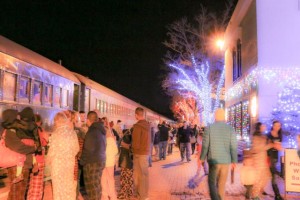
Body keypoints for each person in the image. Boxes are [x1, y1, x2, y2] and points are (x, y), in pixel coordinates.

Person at [199, 108, 238, 200]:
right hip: (226, 161)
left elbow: (205, 145)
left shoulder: (209, 128)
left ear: (215, 117)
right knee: (221, 184)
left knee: (211, 182)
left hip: (214, 160)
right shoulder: (230, 129)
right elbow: (233, 146)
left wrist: (202, 158)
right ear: (224, 117)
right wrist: (234, 161)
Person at [2, 109, 36, 200]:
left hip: (19, 165)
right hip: (18, 166)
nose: (19, 118)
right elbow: (19, 147)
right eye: (17, 116)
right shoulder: (10, 131)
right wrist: (34, 148)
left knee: (17, 193)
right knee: (18, 194)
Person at [47, 112, 79, 200]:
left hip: (57, 166)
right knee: (69, 187)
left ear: (57, 121)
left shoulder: (55, 134)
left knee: (58, 189)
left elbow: (51, 152)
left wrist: (48, 162)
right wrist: (69, 156)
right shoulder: (73, 133)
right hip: (69, 164)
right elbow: (77, 149)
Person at [250, 122, 280, 200]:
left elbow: (266, 146)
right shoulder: (256, 137)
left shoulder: (263, 136)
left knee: (265, 176)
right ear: (259, 127)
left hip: (263, 158)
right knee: (259, 177)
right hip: (258, 159)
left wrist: (271, 144)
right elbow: (257, 149)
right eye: (263, 125)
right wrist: (270, 145)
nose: (265, 126)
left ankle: (257, 192)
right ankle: (254, 195)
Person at [80, 111, 106, 200]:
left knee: (91, 188)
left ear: (88, 120)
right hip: (101, 160)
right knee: (97, 186)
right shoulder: (101, 130)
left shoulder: (91, 132)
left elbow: (88, 149)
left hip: (91, 163)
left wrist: (82, 161)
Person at [27, 114, 49, 200]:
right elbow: (46, 141)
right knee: (37, 187)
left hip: (29, 161)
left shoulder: (25, 131)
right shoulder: (40, 131)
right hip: (38, 161)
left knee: (30, 186)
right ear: (39, 122)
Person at [132, 107, 151, 200]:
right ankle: (145, 195)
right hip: (146, 153)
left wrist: (130, 148)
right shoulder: (148, 125)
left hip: (138, 154)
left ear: (136, 115)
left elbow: (135, 143)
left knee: (138, 176)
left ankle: (141, 196)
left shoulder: (137, 126)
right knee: (145, 175)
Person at [267, 121, 284, 200]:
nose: (277, 127)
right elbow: (267, 146)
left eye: (279, 126)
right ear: (273, 126)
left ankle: (277, 195)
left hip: (275, 157)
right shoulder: (269, 135)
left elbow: (279, 146)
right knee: (273, 175)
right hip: (269, 156)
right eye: (276, 125)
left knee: (273, 176)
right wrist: (273, 145)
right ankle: (277, 195)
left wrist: (279, 147)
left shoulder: (280, 135)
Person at [101, 128, 118, 200]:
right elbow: (116, 151)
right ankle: (113, 196)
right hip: (110, 162)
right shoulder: (111, 140)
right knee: (110, 179)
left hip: (103, 162)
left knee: (103, 178)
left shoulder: (101, 140)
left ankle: (104, 196)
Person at [118, 129, 134, 199]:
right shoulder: (131, 137)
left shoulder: (125, 138)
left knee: (124, 178)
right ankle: (129, 193)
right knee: (129, 178)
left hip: (125, 161)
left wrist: (123, 144)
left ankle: (124, 194)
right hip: (130, 161)